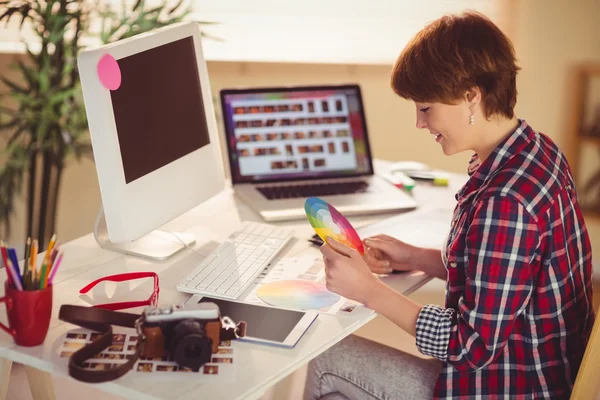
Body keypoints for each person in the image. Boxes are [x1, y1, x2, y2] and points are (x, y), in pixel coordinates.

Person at [304, 11, 595, 400]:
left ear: (470, 95)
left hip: (510, 387)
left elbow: (469, 345)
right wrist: (418, 257)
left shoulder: (505, 201)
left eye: (426, 108)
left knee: (325, 359)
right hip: (547, 371)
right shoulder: (536, 150)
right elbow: (505, 278)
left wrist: (369, 291)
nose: (420, 124)